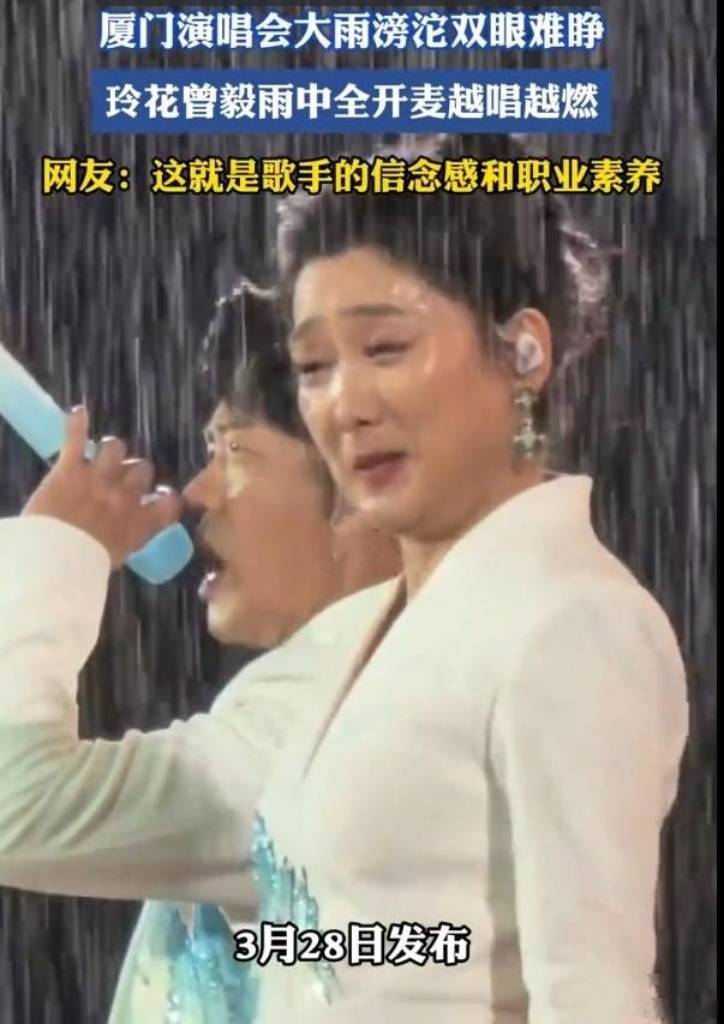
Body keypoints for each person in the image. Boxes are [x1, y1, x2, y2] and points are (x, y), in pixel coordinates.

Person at [1, 133, 689, 1023]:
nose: (346, 404)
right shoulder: (368, 640)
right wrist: (238, 960)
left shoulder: (572, 622)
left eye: (386, 348)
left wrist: (55, 552)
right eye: (315, 367)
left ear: (523, 352)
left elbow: (594, 995)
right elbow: (375, 931)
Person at [0, 279, 400, 1023]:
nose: (197, 491)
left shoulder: (333, 718)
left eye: (235, 451)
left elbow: (10, 804)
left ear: (360, 488)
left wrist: (58, 545)